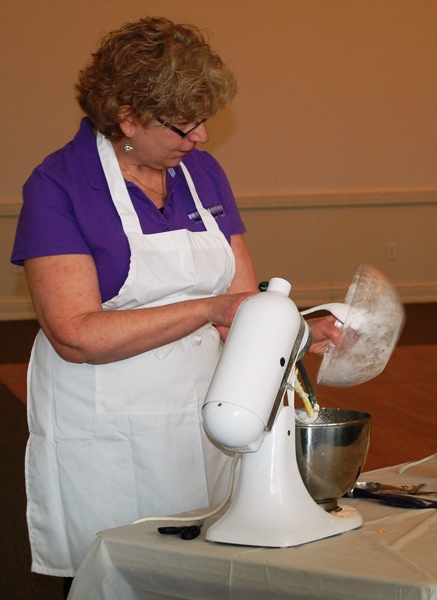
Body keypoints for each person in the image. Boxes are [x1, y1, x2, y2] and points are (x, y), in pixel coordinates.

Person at [11, 17, 337, 597]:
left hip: (208, 415)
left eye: (204, 119)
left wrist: (305, 332)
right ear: (127, 117)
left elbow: (241, 307)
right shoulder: (60, 185)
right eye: (185, 124)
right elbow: (75, 334)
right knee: (120, 572)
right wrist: (209, 309)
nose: (203, 137)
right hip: (108, 427)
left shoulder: (201, 174)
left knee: (208, 566)